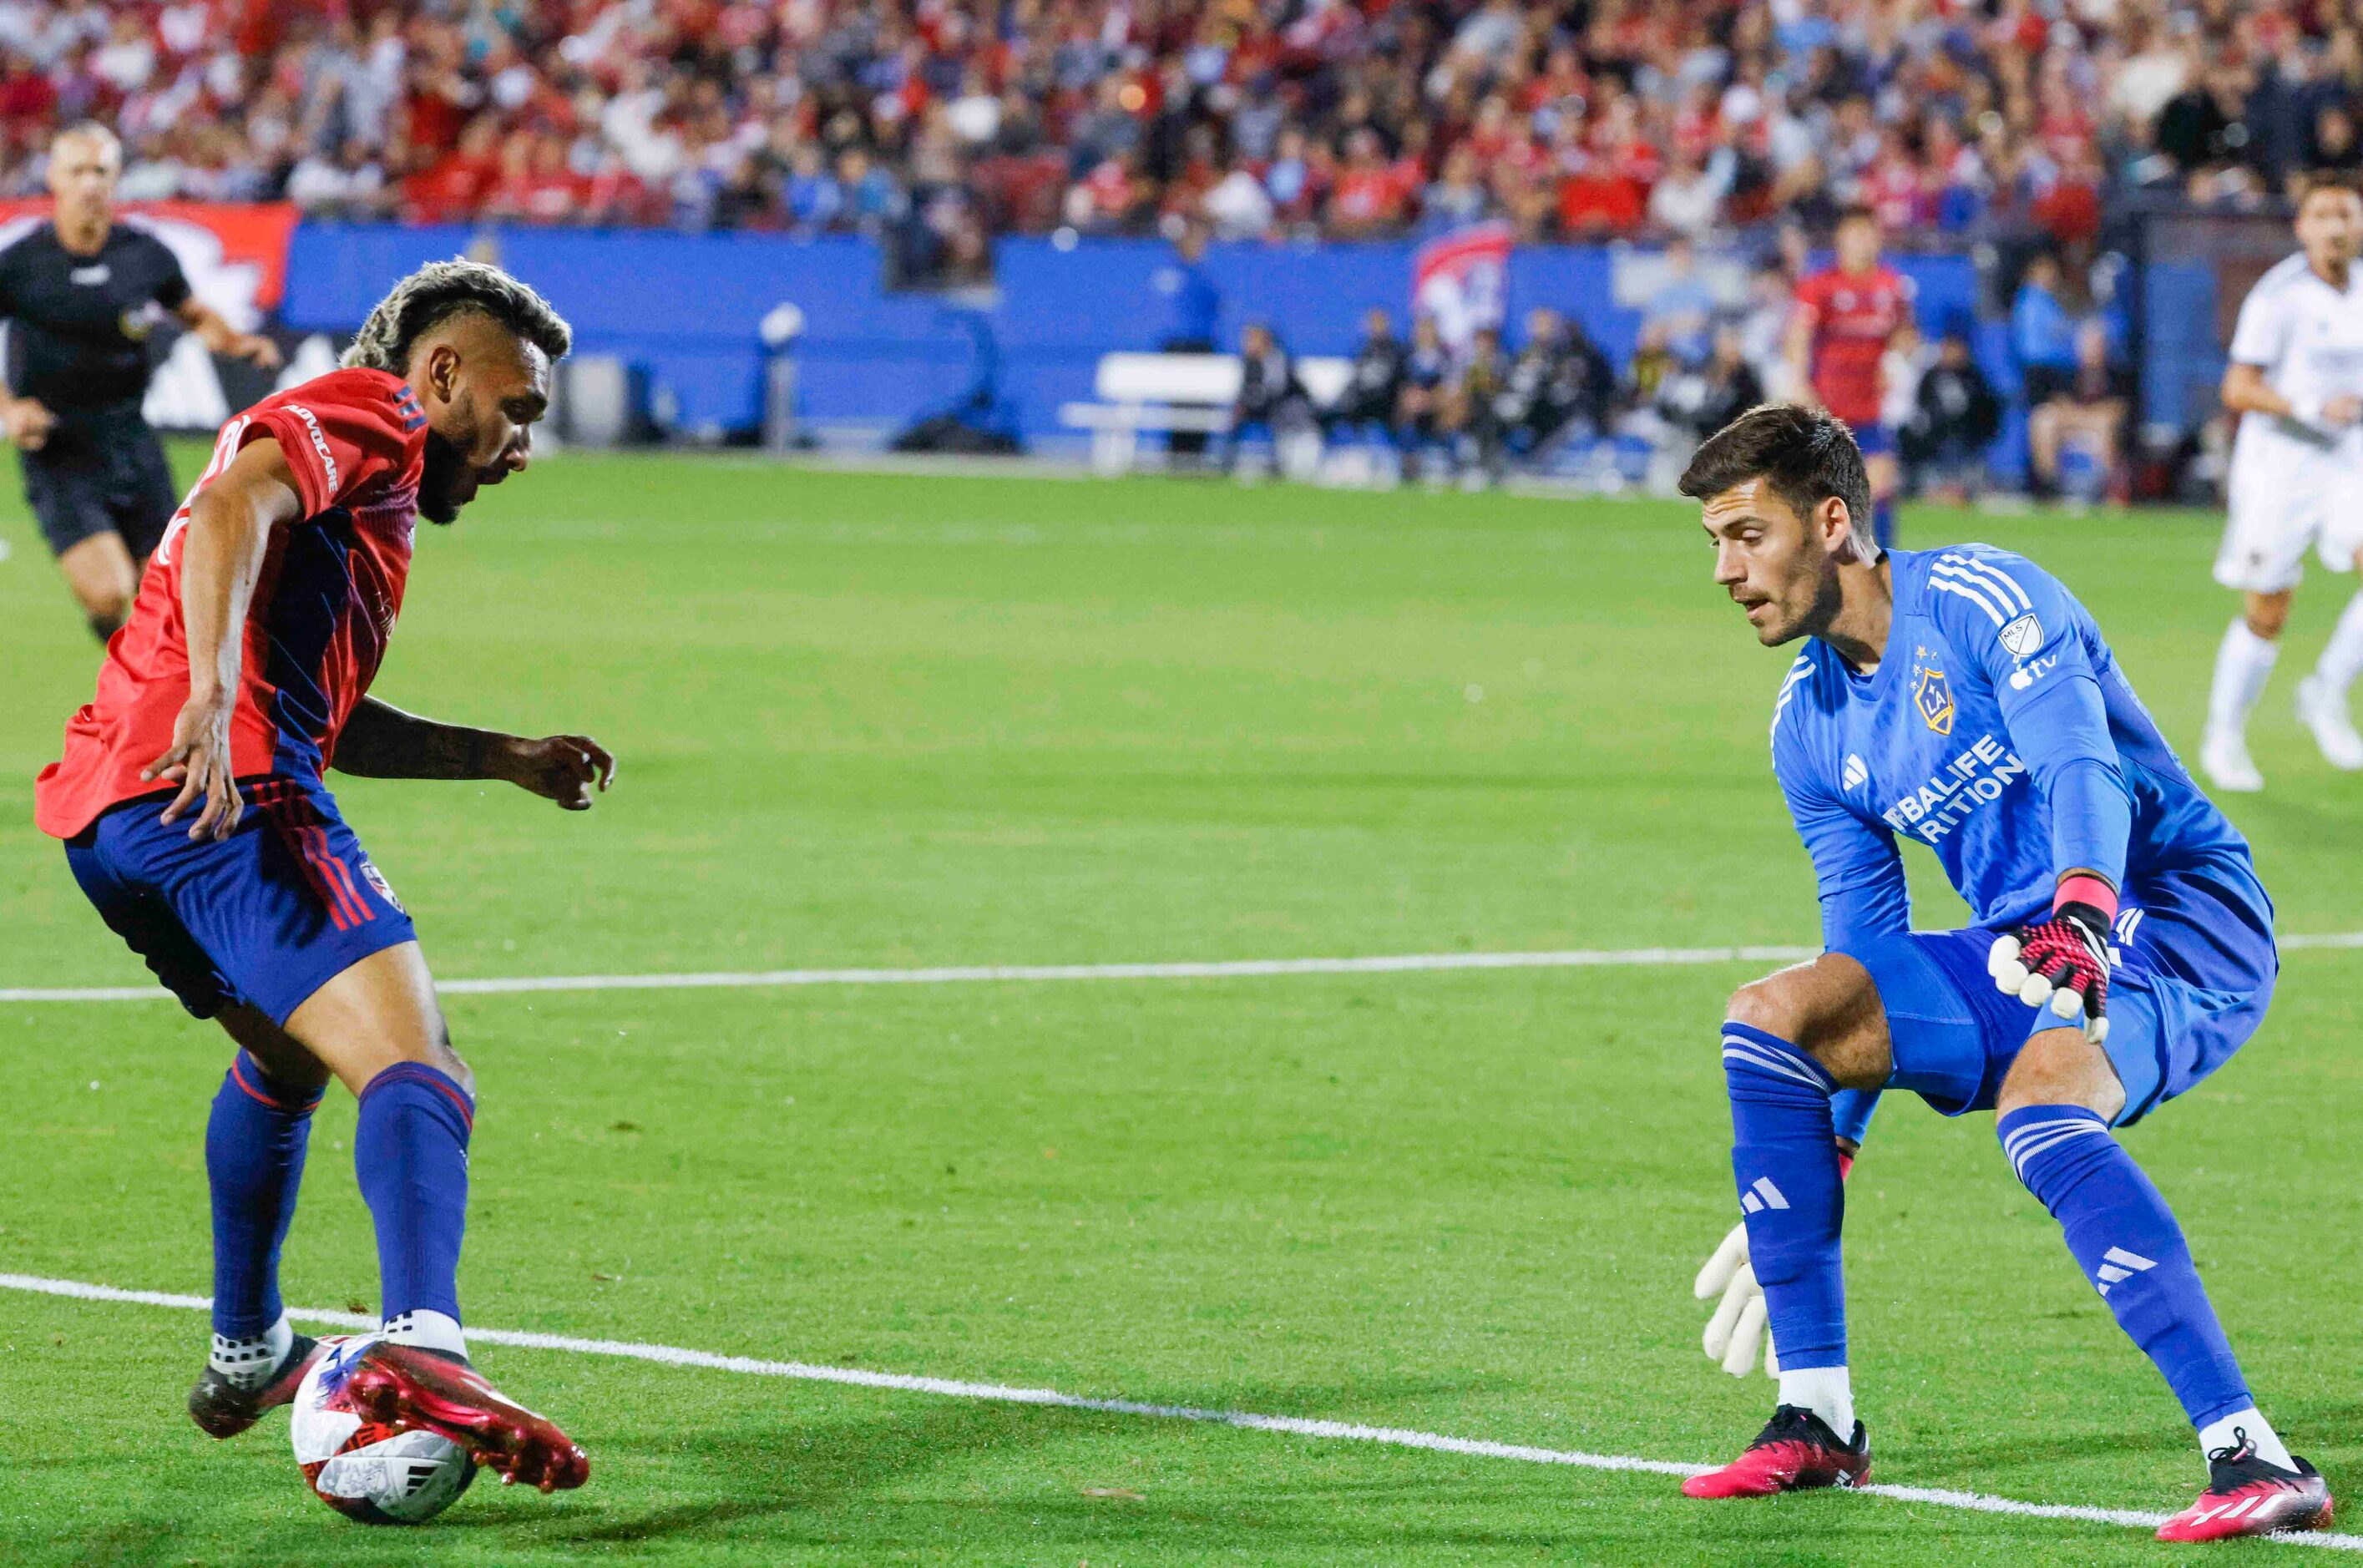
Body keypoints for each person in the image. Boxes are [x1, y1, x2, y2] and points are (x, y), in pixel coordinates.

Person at [1677, 404, 2330, 1545]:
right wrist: (1822, 1140)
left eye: (1746, 534)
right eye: (1714, 544)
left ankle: (2251, 1450)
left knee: (2038, 1104)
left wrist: (2081, 905)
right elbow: (1860, 958)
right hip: (2029, 942)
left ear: (1830, 523)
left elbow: (2081, 759)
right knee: (1771, 1017)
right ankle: (1817, 1416)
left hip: (2170, 907)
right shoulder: (1807, 724)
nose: (1727, 570)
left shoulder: (1980, 596)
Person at [33, 259, 607, 1492]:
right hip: (225, 792)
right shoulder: (377, 415)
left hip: (116, 822)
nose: (520, 446)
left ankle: (249, 1347)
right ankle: (423, 1341)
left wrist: (500, 755)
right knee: (418, 1065)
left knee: (290, 1055)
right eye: (518, 408)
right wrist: (213, 695)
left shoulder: (366, 495)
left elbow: (327, 710)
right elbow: (238, 500)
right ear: (442, 370)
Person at [6, 123, 281, 641]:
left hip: (131, 439)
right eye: (77, 171)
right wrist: (10, 408)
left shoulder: (145, 255)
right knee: (112, 593)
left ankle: (135, 697)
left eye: (101, 171)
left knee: (166, 592)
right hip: (59, 448)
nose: (90, 183)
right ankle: (124, 679)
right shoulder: (21, 264)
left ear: (116, 180)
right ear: (53, 180)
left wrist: (235, 340)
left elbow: (192, 312)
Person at [2201, 178, 2363, 793]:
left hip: (2348, 455)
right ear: (2302, 228)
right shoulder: (2279, 296)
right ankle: (2224, 734)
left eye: (2345, 213)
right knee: (2269, 607)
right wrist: (2308, 403)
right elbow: (2237, 388)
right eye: (2322, 215)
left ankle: (2324, 691)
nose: (2335, 226)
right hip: (2282, 462)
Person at [1788, 206, 1910, 548]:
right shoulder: (1821, 287)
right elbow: (1799, 335)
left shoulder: (1891, 286)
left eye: (1868, 233)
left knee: (1881, 485)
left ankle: (1883, 568)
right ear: (1841, 239)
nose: (1862, 242)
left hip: (1871, 406)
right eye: (1855, 233)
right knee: (1824, 494)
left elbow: (1903, 334)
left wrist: (1898, 361)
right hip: (1828, 406)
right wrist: (1800, 383)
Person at [2026, 320, 2133, 502]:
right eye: (2088, 346)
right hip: (2071, 428)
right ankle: (2050, 489)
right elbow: (2056, 404)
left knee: (2104, 425)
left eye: (2097, 346)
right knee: (2043, 420)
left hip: (2103, 429)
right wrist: (2084, 417)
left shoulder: (2120, 375)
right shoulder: (2067, 374)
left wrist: (2080, 416)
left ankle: (2109, 492)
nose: (2092, 351)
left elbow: (2118, 410)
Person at [1901, 331, 2002, 501]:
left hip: (1968, 438)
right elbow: (1921, 407)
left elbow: (1987, 409)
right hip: (1936, 438)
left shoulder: (1974, 377)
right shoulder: (1932, 376)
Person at [1221, 321, 1311, 473]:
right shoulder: (1248, 361)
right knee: (1235, 420)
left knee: (1277, 423)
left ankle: (1277, 466)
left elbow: (1277, 389)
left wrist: (1254, 401)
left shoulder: (1277, 358)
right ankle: (1226, 465)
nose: (1247, 343)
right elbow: (1245, 388)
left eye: (1252, 339)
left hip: (1283, 407)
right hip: (1257, 406)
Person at [1327, 306, 1407, 447]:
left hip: (1386, 403)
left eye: (1380, 323)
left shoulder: (1397, 350)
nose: (1376, 327)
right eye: (1373, 323)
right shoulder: (1363, 350)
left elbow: (1399, 381)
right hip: (1362, 402)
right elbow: (1356, 380)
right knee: (1332, 413)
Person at [1395, 313, 1455, 480]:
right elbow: (1402, 386)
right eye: (1422, 330)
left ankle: (1450, 467)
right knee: (1407, 424)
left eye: (1429, 330)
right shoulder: (1407, 356)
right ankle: (1409, 465)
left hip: (1438, 407)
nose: (1425, 334)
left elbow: (1450, 385)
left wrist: (1431, 400)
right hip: (1413, 409)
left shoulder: (1445, 357)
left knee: (1451, 417)